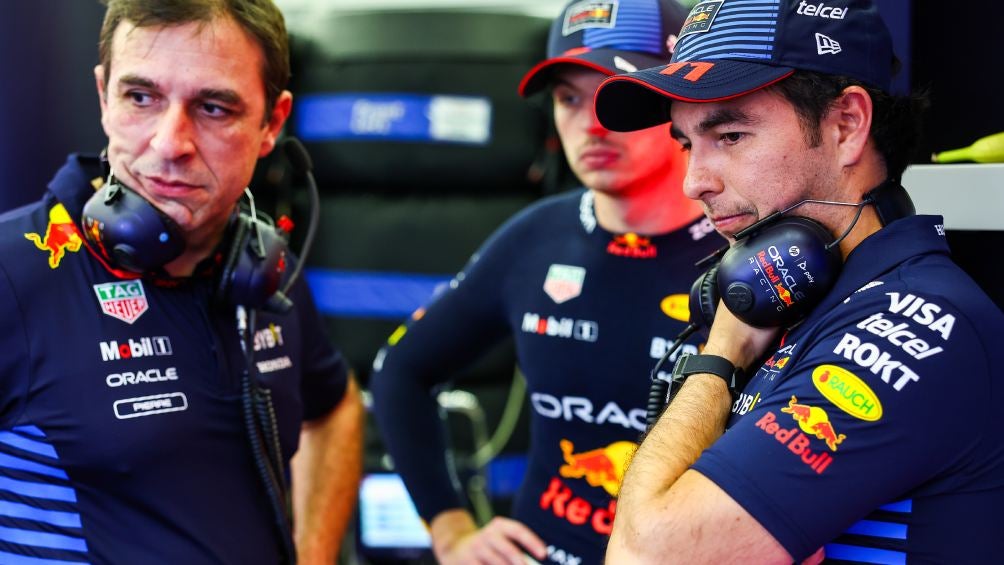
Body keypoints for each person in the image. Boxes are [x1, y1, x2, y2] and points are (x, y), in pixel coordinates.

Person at [591, 0, 1004, 562]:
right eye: (687, 144)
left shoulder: (920, 324)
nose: (694, 182)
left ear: (846, 125)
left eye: (730, 135)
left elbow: (648, 554)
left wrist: (719, 356)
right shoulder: (790, 302)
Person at [0, 1, 363, 563]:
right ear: (103, 96)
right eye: (140, 97)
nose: (170, 143)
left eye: (213, 108)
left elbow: (335, 407)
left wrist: (313, 553)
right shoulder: (14, 273)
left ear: (272, 123)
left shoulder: (265, 274)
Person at [369, 1, 724, 564]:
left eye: (614, 93)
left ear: (682, 98)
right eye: (568, 99)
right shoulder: (536, 236)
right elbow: (399, 371)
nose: (590, 123)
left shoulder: (750, 258)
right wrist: (450, 529)